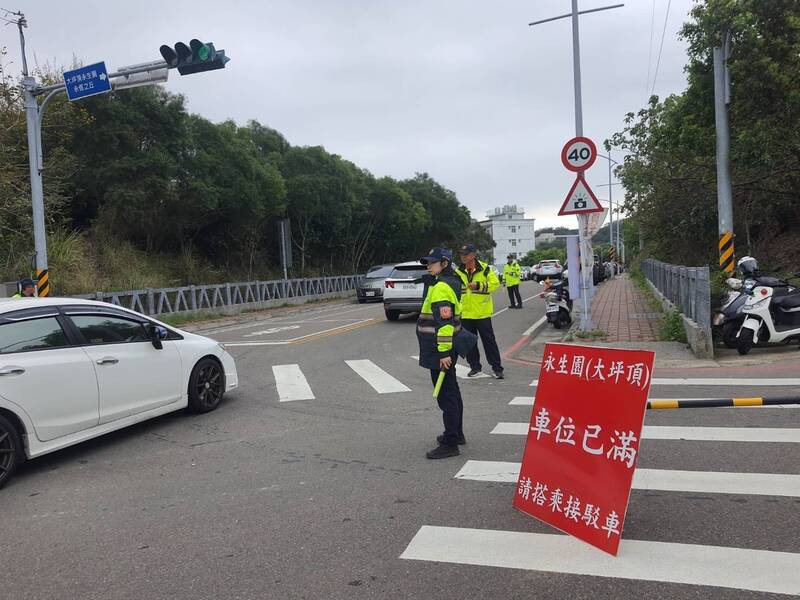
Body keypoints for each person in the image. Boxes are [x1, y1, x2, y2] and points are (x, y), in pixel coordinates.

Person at [417, 247, 465, 459]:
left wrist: (443, 353)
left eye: (432, 263)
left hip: (440, 350)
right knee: (452, 392)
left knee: (446, 396)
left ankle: (451, 442)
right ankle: (457, 433)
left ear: (444, 264)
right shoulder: (448, 283)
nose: (428, 266)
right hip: (444, 348)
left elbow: (444, 324)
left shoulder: (442, 288)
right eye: (427, 263)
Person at [456, 243, 504, 379]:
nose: (463, 257)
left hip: (482, 313)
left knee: (489, 342)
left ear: (473, 255)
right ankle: (475, 367)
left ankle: (497, 368)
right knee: (469, 343)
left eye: (466, 254)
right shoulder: (458, 271)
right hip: (465, 313)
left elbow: (495, 284)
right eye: (461, 254)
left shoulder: (485, 269)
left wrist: (478, 285)